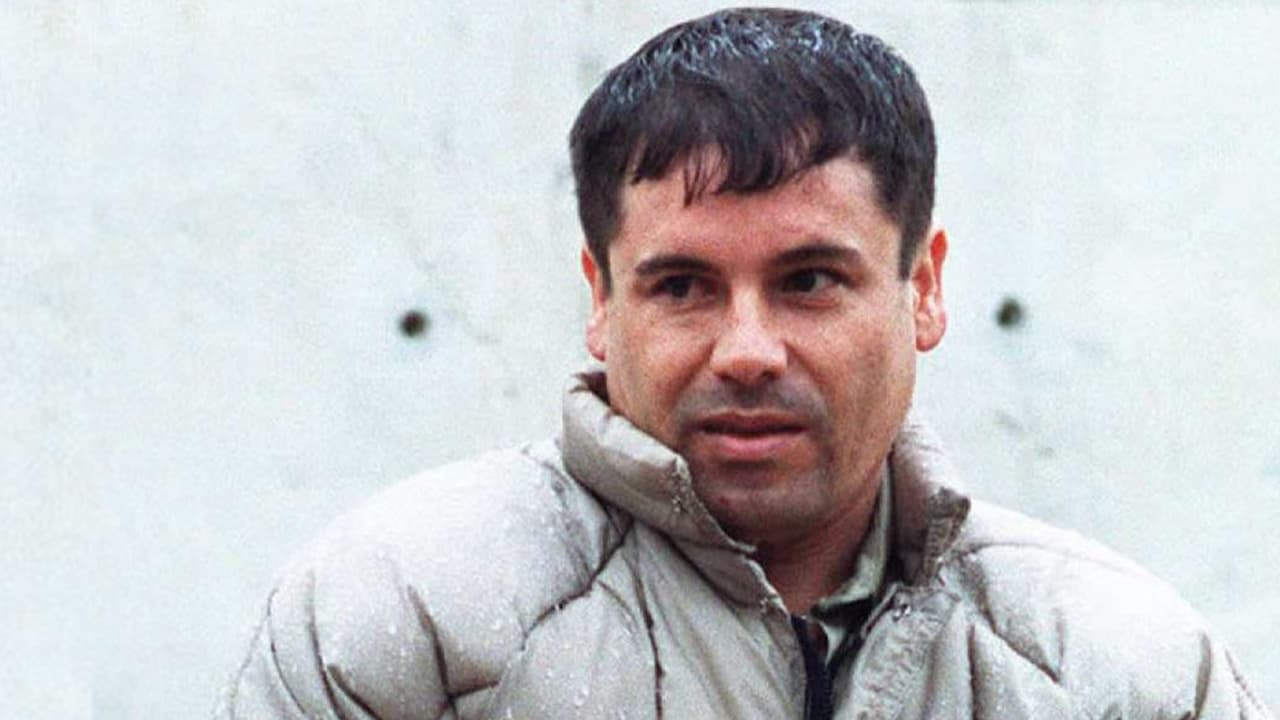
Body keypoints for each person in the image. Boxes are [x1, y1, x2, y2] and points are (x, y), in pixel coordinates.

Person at [219, 8, 1271, 719]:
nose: (748, 352)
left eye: (809, 280)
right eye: (682, 286)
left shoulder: (1120, 671)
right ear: (601, 300)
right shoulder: (395, 620)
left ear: (923, 287)